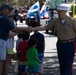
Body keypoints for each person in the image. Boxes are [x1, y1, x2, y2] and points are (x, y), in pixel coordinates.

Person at [32, 4, 76, 75]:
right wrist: (33, 29)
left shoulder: (71, 21)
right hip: (60, 44)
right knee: (62, 64)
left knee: (68, 64)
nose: (58, 14)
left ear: (65, 12)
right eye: (58, 12)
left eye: (60, 12)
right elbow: (46, 27)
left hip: (70, 44)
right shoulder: (56, 21)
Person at [0, 3, 32, 75]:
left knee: (4, 61)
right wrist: (25, 29)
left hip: (5, 43)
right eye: (9, 10)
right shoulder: (5, 19)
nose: (10, 12)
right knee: (3, 61)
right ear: (4, 10)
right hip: (4, 42)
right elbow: (14, 30)